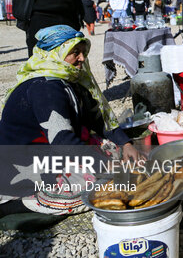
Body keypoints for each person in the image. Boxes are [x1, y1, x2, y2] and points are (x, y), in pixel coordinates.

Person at [0, 25, 141, 216]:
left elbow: (97, 118)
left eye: (83, 52)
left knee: (115, 153)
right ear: (55, 54)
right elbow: (63, 142)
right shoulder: (45, 88)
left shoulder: (69, 79)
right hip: (22, 165)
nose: (82, 58)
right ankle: (19, 204)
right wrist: (102, 165)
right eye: (75, 53)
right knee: (98, 188)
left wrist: (125, 143)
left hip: (50, 152)